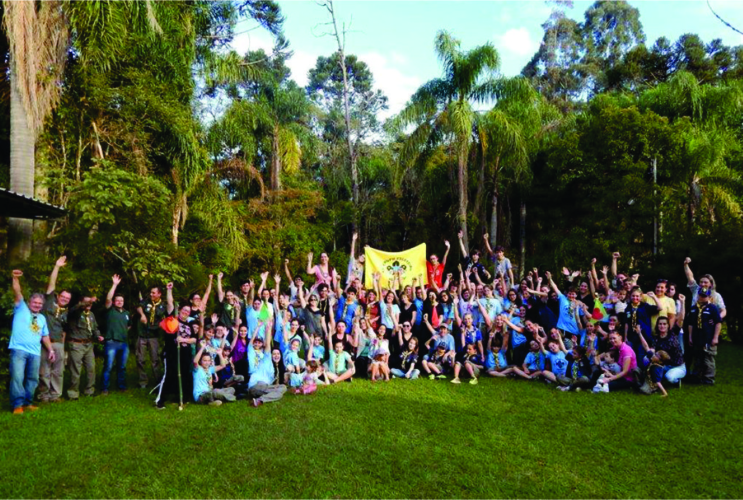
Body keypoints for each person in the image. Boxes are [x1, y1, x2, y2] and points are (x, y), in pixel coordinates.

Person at [9, 270, 56, 414]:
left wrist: (51, 350)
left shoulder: (42, 318)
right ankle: (17, 405)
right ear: (29, 302)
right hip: (19, 350)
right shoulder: (21, 307)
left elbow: (45, 336)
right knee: (18, 377)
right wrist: (15, 278)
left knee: (32, 378)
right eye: (35, 302)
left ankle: (28, 403)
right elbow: (17, 292)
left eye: (40, 303)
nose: (37, 305)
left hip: (35, 352)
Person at [155, 283, 197, 410]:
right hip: (172, 354)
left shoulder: (189, 325)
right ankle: (160, 400)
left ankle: (181, 398)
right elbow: (170, 304)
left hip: (185, 354)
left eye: (187, 311)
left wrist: (183, 339)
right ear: (180, 311)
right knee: (169, 376)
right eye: (184, 310)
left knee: (184, 376)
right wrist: (169, 290)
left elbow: (194, 339)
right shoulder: (172, 321)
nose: (185, 312)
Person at [38, 255, 70, 403]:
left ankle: (55, 395)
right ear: (58, 296)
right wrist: (57, 266)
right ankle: (43, 395)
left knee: (58, 371)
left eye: (67, 298)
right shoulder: (49, 302)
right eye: (63, 296)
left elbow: (64, 330)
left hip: (58, 343)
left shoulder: (66, 312)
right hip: (45, 342)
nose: (65, 299)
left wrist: (64, 347)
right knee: (44, 371)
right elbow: (52, 284)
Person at [66, 295, 104, 400]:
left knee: (91, 368)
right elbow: (75, 309)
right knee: (75, 369)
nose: (89, 304)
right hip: (76, 344)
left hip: (89, 345)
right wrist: (88, 301)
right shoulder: (75, 313)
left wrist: (98, 335)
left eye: (91, 303)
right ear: (80, 302)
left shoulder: (91, 314)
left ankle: (89, 390)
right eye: (87, 302)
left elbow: (95, 327)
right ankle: (73, 393)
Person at [685, 288, 722, 385]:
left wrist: (715, 337)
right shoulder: (694, 308)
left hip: (708, 337)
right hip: (697, 337)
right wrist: (690, 337)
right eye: (701, 295)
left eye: (704, 296)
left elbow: (718, 323)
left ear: (709, 297)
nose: (702, 298)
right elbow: (690, 324)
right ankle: (697, 376)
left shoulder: (712, 308)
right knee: (698, 357)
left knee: (708, 358)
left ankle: (708, 379)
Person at [247, 320, 287, 407]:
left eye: (278, 354)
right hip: (256, 385)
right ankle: (260, 397)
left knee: (282, 388)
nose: (276, 356)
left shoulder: (275, 369)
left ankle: (259, 400)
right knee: (275, 390)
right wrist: (268, 329)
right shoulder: (266, 359)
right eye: (274, 354)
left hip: (265, 387)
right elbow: (268, 344)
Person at [102, 275, 130, 395]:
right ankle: (104, 388)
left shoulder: (127, 313)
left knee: (122, 367)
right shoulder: (110, 309)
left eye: (121, 301)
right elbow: (108, 299)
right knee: (108, 367)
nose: (119, 302)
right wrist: (114, 285)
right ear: (114, 302)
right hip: (111, 342)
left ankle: (121, 386)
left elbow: (129, 326)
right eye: (117, 300)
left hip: (123, 344)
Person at [639, 316, 685, 385]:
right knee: (646, 358)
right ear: (657, 326)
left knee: (669, 377)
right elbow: (650, 350)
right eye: (660, 324)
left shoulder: (673, 333)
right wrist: (639, 333)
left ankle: (676, 380)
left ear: (668, 325)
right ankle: (649, 377)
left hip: (678, 366)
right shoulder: (656, 339)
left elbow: (681, 319)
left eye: (664, 324)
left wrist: (682, 304)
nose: (662, 326)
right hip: (664, 366)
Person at [137, 285, 167, 388]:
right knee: (140, 359)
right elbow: (139, 306)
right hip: (142, 335)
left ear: (159, 294)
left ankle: (158, 382)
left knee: (155, 360)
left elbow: (167, 319)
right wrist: (142, 315)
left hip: (154, 336)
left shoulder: (163, 305)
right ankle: (143, 382)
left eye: (153, 293)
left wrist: (162, 324)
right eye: (151, 292)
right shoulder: (146, 301)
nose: (151, 294)